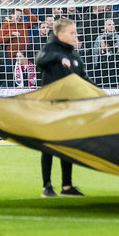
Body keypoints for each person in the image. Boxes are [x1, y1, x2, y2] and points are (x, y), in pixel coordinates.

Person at [34, 15, 86, 197]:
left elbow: (84, 79)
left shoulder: (74, 55)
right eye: (72, 32)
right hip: (50, 106)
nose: (75, 35)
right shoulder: (50, 49)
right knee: (48, 145)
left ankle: (66, 186)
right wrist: (58, 58)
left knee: (67, 146)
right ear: (61, 34)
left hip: (69, 107)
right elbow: (40, 60)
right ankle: (46, 186)